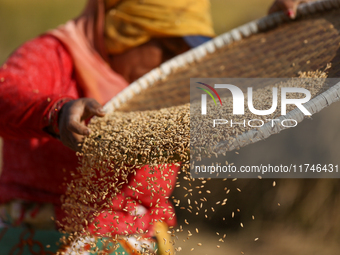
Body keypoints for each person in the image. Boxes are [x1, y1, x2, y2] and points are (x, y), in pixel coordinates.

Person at [0, 0, 312, 254]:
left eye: (186, 56)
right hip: (39, 240)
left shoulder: (171, 83)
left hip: (142, 240)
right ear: (126, 32)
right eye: (168, 50)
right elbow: (5, 95)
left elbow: (240, 97)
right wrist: (56, 111)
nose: (176, 67)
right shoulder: (54, 56)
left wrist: (280, 39)